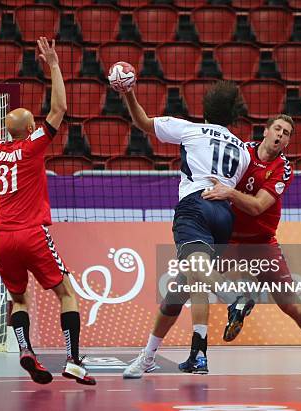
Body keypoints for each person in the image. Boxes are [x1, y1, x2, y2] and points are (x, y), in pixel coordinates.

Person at [123, 115, 301, 380]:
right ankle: (149, 357)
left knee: (291, 305)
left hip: (261, 245)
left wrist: (229, 193)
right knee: (177, 293)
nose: (280, 136)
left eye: (286, 134)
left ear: (287, 142)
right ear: (266, 130)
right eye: (277, 129)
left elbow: (258, 206)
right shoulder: (242, 151)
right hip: (226, 242)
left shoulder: (283, 167)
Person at [0, 37, 95, 385]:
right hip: (32, 233)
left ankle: (26, 350)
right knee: (67, 294)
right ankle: (73, 361)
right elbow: (58, 109)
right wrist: (55, 64)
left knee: (19, 299)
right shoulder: (33, 145)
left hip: (1, 239)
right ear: (30, 129)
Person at [119, 79, 251, 374]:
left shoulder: (191, 129)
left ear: (206, 108)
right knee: (182, 290)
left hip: (195, 206)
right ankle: (183, 356)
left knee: (198, 275)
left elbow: (142, 122)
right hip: (223, 214)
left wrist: (128, 93)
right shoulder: (242, 150)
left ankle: (235, 298)